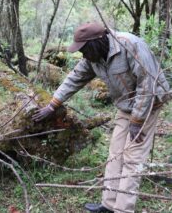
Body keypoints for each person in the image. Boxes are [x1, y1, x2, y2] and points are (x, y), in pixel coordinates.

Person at [32, 22, 170, 213]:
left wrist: (137, 122)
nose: (82, 54)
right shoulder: (93, 57)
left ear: (97, 42)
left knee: (132, 157)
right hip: (126, 105)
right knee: (115, 154)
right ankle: (109, 205)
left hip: (149, 103)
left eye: (83, 49)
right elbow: (75, 78)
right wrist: (52, 105)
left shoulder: (130, 45)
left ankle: (123, 209)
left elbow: (148, 84)